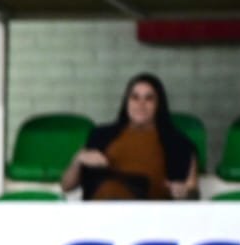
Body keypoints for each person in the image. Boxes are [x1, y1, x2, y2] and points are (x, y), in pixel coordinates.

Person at [60, 75, 199, 202]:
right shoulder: (100, 135)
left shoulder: (178, 143)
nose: (141, 104)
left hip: (151, 218)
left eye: (149, 99)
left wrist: (184, 191)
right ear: (126, 102)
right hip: (100, 215)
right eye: (135, 97)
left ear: (158, 105)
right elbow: (66, 186)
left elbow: (194, 193)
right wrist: (78, 159)